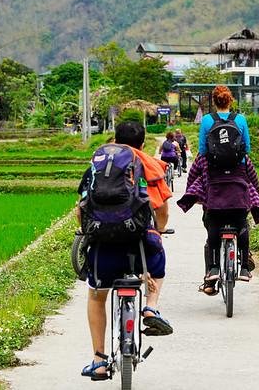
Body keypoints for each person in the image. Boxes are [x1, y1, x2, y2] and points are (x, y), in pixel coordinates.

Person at [77, 121, 173, 381]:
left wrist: (89, 231)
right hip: (140, 246)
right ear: (142, 144)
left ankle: (98, 360)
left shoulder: (97, 166)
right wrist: (159, 231)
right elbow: (161, 209)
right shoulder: (148, 165)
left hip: (103, 246)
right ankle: (151, 308)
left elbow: (81, 208)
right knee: (159, 264)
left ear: (115, 140)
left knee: (97, 296)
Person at [192, 85, 259, 289]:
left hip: (214, 178)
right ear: (230, 100)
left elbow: (203, 150)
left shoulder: (206, 120)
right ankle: (245, 270)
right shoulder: (240, 120)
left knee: (212, 219)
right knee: (241, 220)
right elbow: (246, 148)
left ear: (214, 101)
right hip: (237, 177)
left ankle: (212, 269)